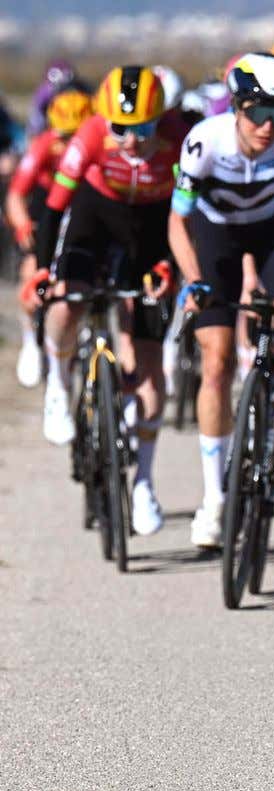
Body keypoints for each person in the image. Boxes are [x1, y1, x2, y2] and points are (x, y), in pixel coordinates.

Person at [168, 52, 274, 548]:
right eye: (259, 113)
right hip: (215, 236)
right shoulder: (204, 142)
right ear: (237, 107)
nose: (269, 126)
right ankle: (215, 500)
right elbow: (177, 222)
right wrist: (194, 279)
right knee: (217, 360)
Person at [32, 67, 186, 537]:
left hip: (152, 234)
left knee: (149, 373)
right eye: (122, 128)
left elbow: (189, 216)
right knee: (66, 302)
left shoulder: (179, 141)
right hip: (93, 222)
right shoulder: (93, 133)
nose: (132, 139)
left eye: (143, 128)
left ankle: (142, 483)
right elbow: (55, 204)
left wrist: (170, 269)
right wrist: (42, 268)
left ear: (161, 120)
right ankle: (58, 384)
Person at [4, 89, 92, 388]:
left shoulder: (94, 146)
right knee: (31, 271)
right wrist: (23, 225)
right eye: (63, 136)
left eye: (75, 136)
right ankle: (31, 336)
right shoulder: (44, 146)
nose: (69, 144)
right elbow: (16, 193)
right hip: (46, 204)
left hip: (81, 202)